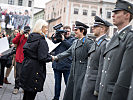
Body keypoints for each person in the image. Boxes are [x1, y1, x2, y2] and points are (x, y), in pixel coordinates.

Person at [98, 0, 133, 100]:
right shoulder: (115, 36)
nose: (113, 15)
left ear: (127, 15)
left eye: (117, 13)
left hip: (114, 94)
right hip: (105, 91)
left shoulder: (129, 38)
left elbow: (125, 73)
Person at [52, 21, 93, 100]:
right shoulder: (76, 41)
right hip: (73, 70)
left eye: (76, 30)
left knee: (78, 92)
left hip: (82, 72)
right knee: (70, 92)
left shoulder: (88, 42)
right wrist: (56, 57)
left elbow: (93, 58)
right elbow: (68, 52)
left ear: (82, 31)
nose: (75, 32)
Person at [80, 16, 112, 100]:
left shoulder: (104, 44)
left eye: (95, 26)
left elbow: (102, 68)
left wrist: (97, 89)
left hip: (93, 85)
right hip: (89, 81)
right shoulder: (97, 42)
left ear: (102, 29)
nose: (92, 28)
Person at [20, 19, 52, 100]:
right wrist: (51, 58)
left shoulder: (30, 38)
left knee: (26, 93)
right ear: (41, 28)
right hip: (35, 69)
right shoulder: (41, 40)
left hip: (27, 67)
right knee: (31, 95)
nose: (47, 30)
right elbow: (42, 57)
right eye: (45, 28)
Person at [51, 26, 75, 100]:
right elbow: (53, 42)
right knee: (57, 84)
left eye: (68, 31)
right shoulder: (59, 39)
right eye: (65, 31)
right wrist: (54, 36)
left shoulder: (73, 40)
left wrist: (63, 40)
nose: (67, 32)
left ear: (70, 32)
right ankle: (56, 98)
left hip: (67, 66)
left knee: (68, 84)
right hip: (57, 65)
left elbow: (70, 47)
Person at [12, 26, 31, 94]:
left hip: (27, 59)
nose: (27, 32)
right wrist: (20, 34)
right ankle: (16, 87)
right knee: (18, 74)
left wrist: (28, 37)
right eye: (26, 30)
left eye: (28, 31)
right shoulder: (20, 35)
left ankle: (24, 87)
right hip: (19, 58)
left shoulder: (30, 37)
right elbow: (14, 41)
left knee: (26, 74)